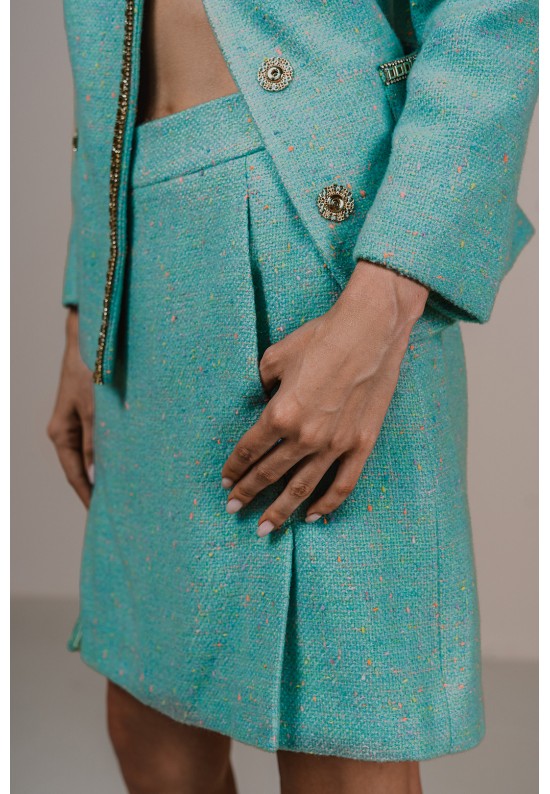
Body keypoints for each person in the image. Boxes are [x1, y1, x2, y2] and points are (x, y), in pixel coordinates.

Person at [47, 1, 538, 792]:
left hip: (328, 248)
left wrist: (387, 296)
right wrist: (86, 304)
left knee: (342, 747)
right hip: (145, 249)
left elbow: (489, 15)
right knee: (150, 729)